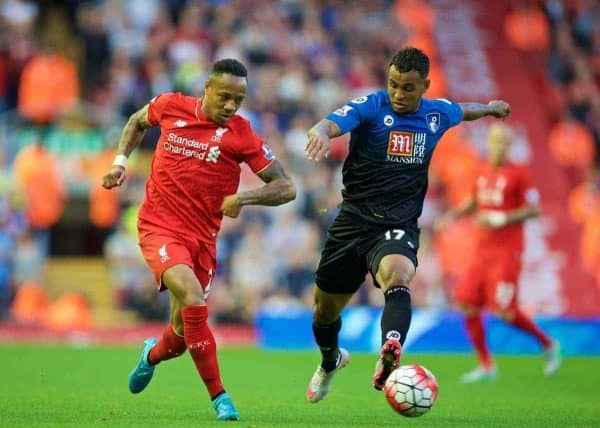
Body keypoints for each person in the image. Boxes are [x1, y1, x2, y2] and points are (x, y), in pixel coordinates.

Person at [303, 46, 511, 403]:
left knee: (397, 275)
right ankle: (330, 360)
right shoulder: (372, 105)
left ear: (425, 86)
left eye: (408, 88)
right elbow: (334, 121)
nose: (399, 94)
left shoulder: (436, 115)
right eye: (394, 85)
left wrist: (490, 108)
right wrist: (321, 132)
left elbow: (465, 110)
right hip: (352, 222)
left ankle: (392, 344)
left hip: (398, 225)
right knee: (324, 309)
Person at [102, 58, 296, 421]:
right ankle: (220, 397)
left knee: (180, 336)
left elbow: (286, 187)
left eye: (238, 100)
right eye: (224, 97)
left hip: (202, 239)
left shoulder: (242, 134)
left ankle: (152, 355)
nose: (230, 106)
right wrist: (119, 163)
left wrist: (244, 198)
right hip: (159, 226)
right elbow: (135, 122)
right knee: (192, 296)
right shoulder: (170, 106)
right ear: (207, 87)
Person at [438, 123, 561, 383]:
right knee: (466, 303)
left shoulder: (519, 173)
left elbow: (534, 210)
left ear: (510, 145)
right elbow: (475, 200)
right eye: (496, 141)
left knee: (504, 311)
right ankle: (486, 365)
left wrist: (501, 218)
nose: (499, 146)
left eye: (505, 142)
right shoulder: (482, 169)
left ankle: (548, 343)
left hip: (507, 252)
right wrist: (453, 215)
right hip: (481, 252)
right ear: (489, 142)